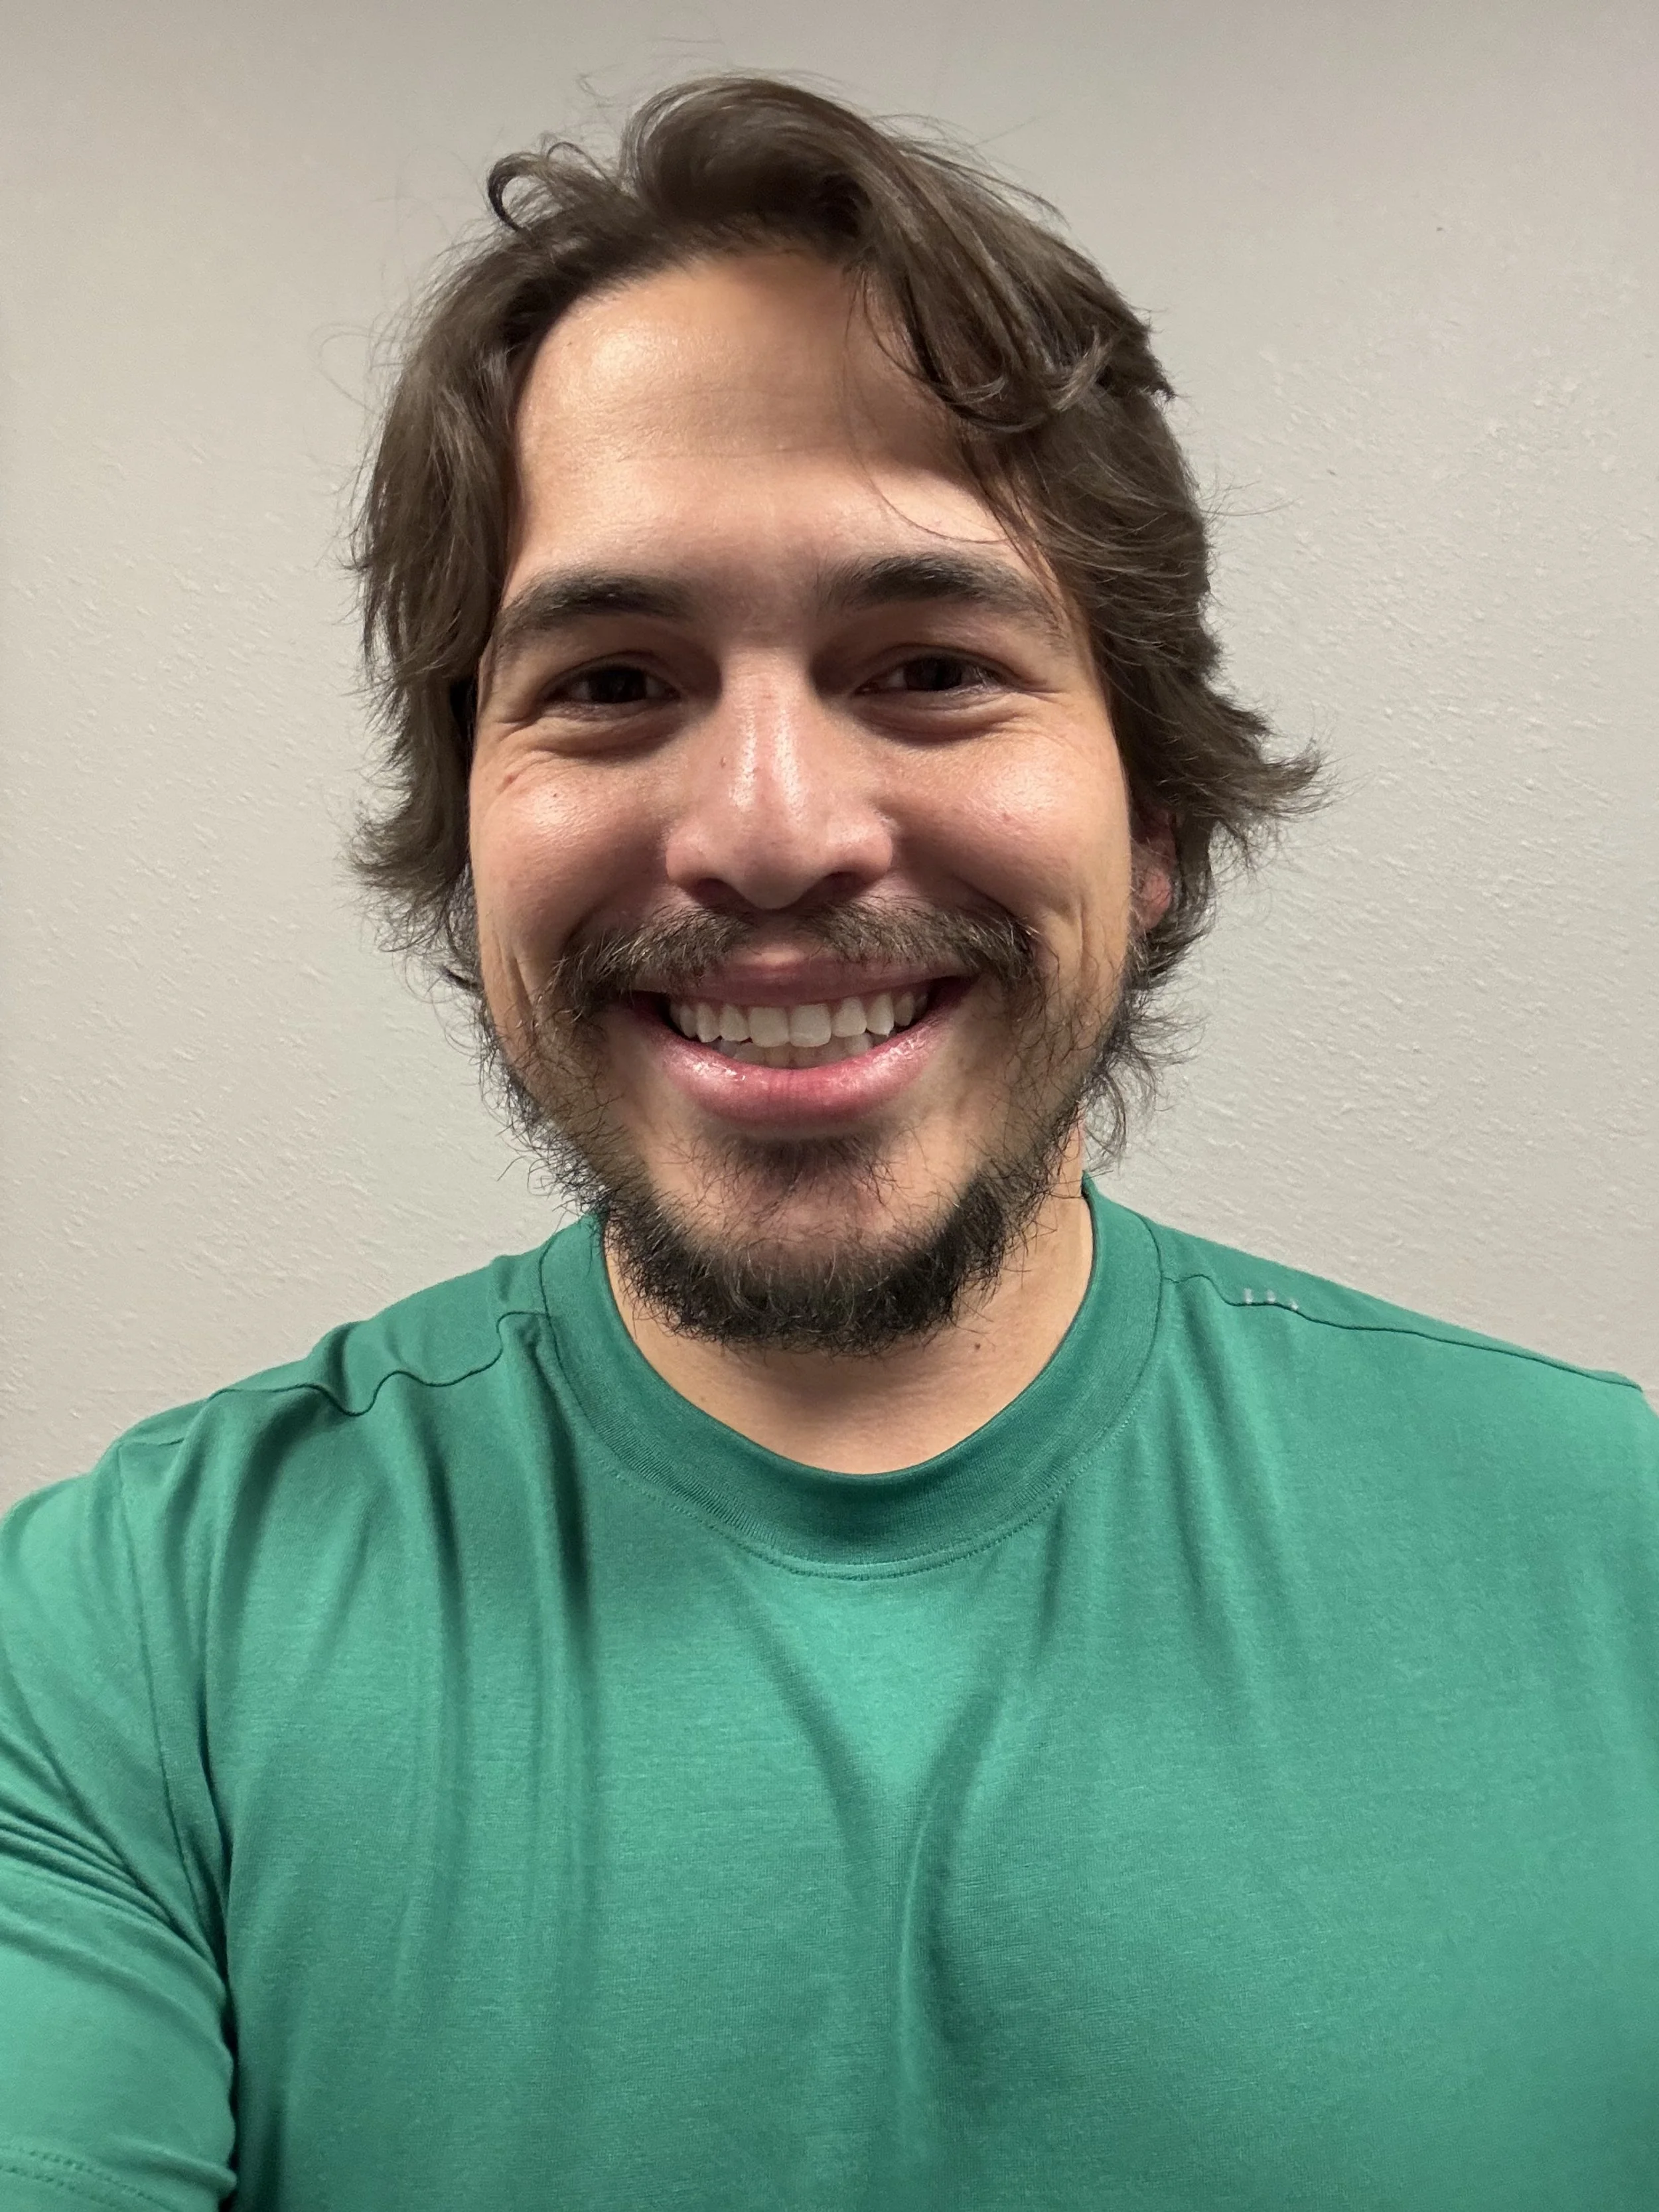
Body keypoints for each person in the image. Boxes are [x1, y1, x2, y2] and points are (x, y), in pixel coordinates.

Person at [1, 74, 1654, 2212]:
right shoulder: (125, 1637)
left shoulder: (1611, 1564)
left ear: (1153, 825)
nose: (769, 828)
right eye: (608, 683)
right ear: (467, 829)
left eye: (931, 666)